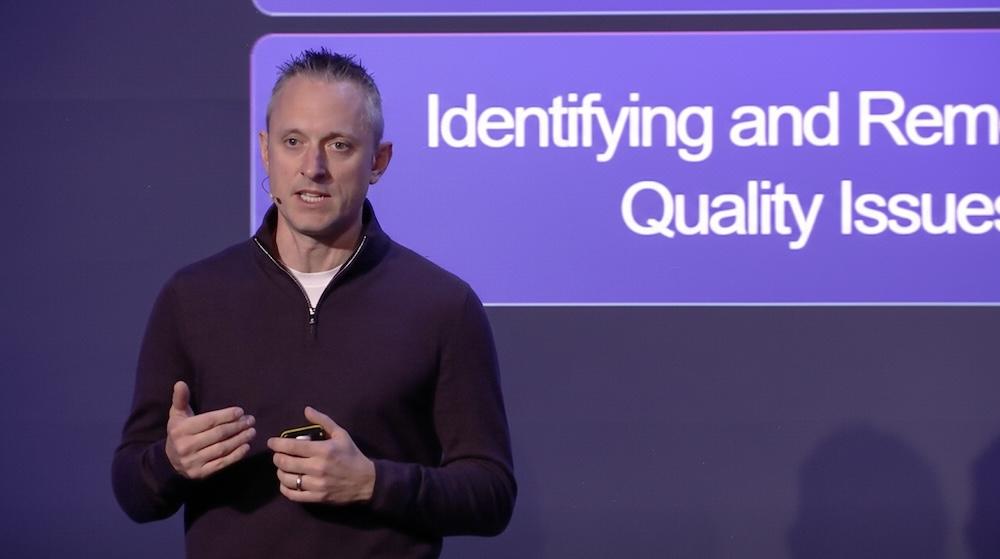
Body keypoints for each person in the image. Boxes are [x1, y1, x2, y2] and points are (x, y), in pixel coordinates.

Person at [112, 48, 516, 559]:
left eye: (339, 145)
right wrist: (171, 462)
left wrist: (372, 482)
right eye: (293, 142)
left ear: (379, 161)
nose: (313, 167)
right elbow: (132, 490)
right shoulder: (191, 296)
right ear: (265, 151)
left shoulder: (444, 305)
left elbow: (491, 495)